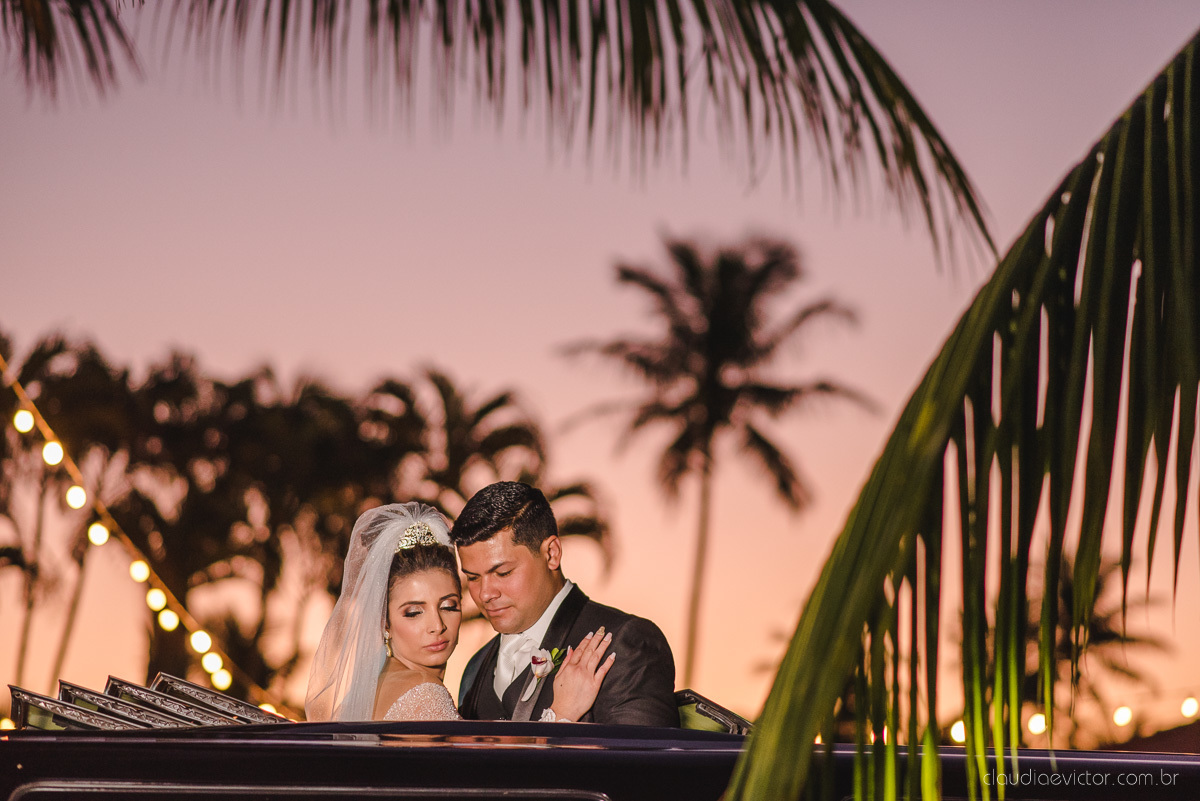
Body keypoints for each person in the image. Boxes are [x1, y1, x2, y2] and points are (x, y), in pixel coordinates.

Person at [305, 502, 615, 722]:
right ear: (384, 622)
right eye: (413, 612)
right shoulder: (423, 695)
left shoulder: (377, 685)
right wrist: (560, 714)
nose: (437, 626)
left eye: (449, 606)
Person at [452, 482, 680, 726]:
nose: (485, 594)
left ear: (551, 554)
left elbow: (643, 763)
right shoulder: (476, 667)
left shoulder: (626, 643)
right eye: (473, 578)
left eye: (503, 572)